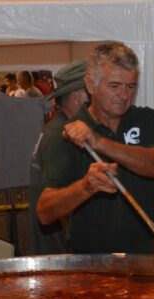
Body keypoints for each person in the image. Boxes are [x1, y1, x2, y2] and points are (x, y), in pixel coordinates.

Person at [36, 41, 154, 254]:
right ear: (90, 85)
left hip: (150, 257)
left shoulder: (146, 119)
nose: (124, 95)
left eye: (131, 86)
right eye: (114, 86)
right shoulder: (68, 134)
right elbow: (45, 211)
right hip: (94, 263)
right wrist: (86, 187)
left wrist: (98, 142)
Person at [29, 60, 89, 255]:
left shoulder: (53, 128)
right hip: (60, 247)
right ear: (78, 97)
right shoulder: (63, 136)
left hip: (48, 242)